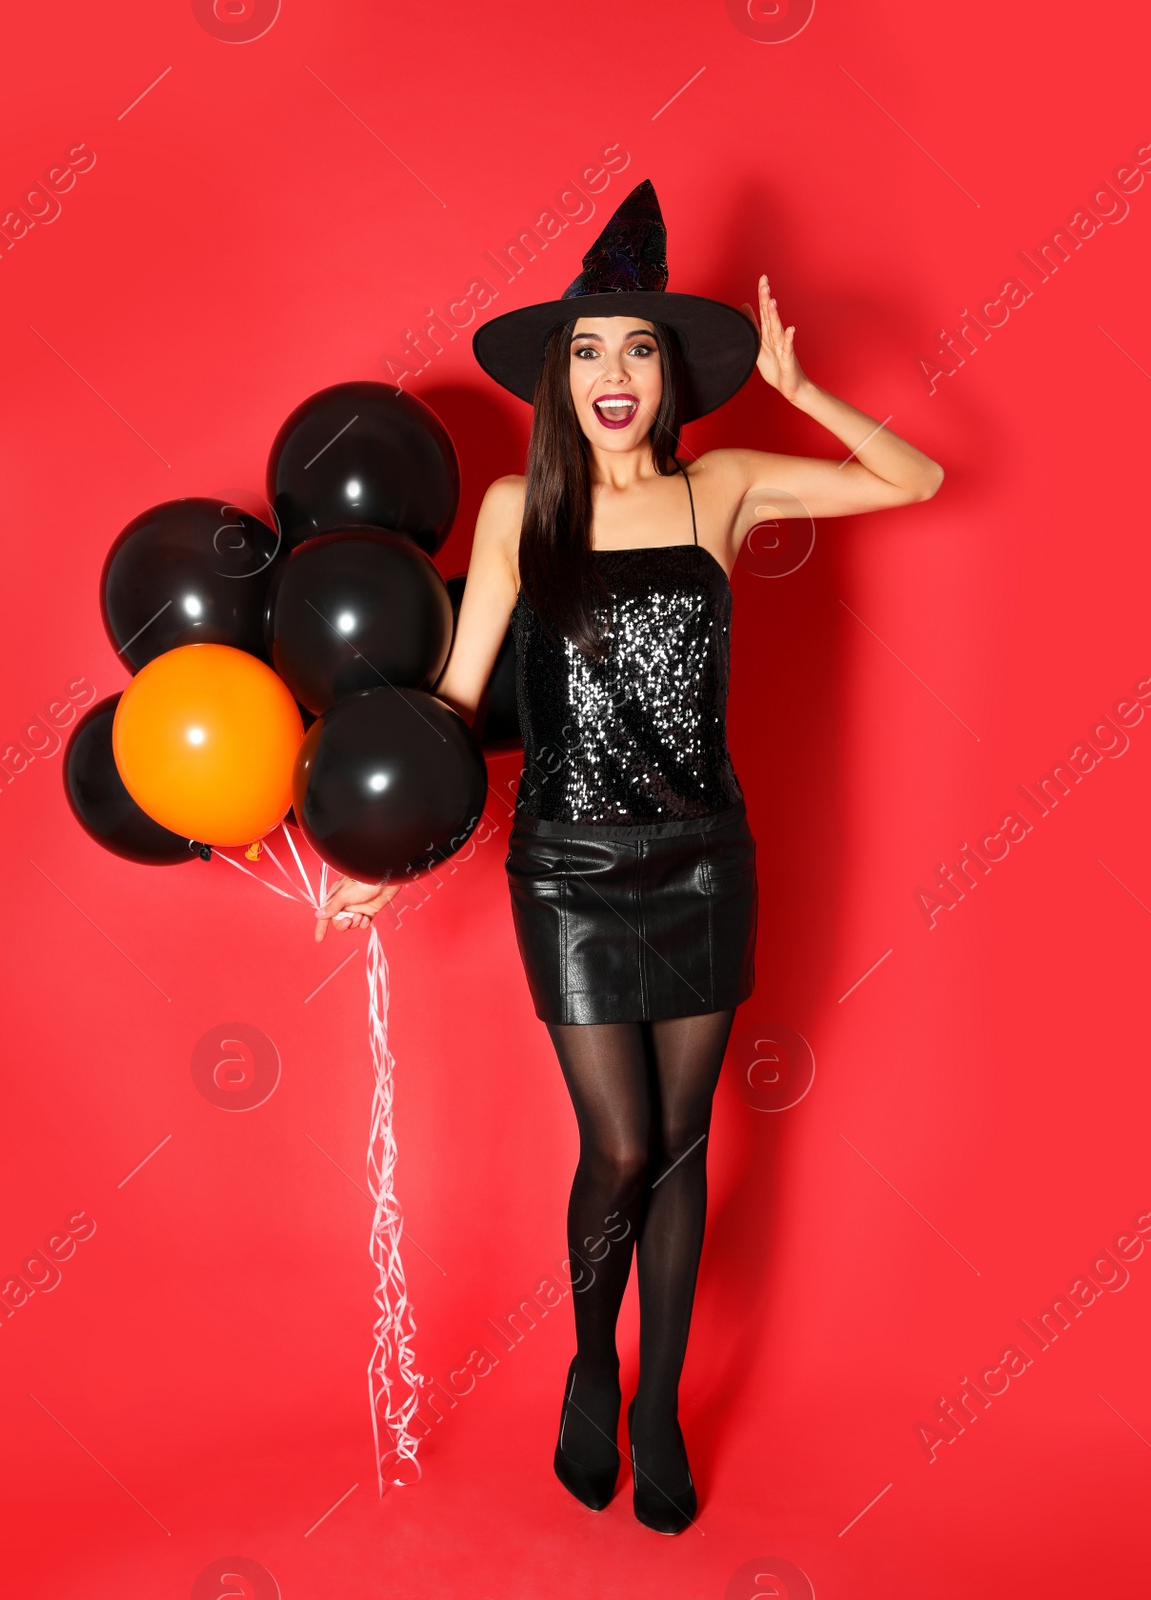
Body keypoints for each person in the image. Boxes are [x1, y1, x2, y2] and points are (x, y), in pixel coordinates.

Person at [313, 180, 944, 1532]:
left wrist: (799, 385)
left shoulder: (722, 489)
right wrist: (390, 859)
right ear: (561, 375)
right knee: (621, 1141)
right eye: (591, 349)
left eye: (641, 349)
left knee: (684, 1145)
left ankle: (656, 1406)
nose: (614, 373)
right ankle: (592, 1368)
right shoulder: (510, 512)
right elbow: (456, 701)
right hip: (570, 871)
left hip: (707, 859)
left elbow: (919, 477)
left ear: (673, 380)